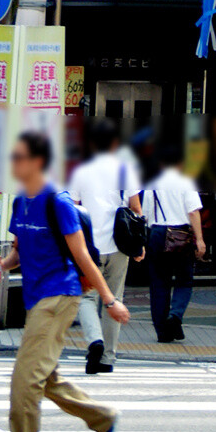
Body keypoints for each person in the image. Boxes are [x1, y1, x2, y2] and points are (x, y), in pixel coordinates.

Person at [0, 131, 124, 432]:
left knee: (26, 376)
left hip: (59, 295)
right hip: (36, 298)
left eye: (20, 157)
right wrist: (2, 263)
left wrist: (109, 300)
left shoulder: (59, 201)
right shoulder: (22, 200)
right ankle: (103, 418)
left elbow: (82, 256)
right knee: (46, 376)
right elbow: (18, 252)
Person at [70, 119, 141, 375]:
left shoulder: (80, 171)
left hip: (88, 249)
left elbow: (74, 210)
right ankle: (108, 357)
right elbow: (136, 210)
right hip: (119, 247)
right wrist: (138, 245)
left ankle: (94, 341)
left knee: (86, 297)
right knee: (114, 298)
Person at [139, 139, 205, 343]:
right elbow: (193, 211)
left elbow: (146, 215)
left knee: (159, 283)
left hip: (158, 233)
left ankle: (162, 332)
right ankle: (175, 315)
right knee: (184, 280)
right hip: (181, 234)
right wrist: (200, 239)